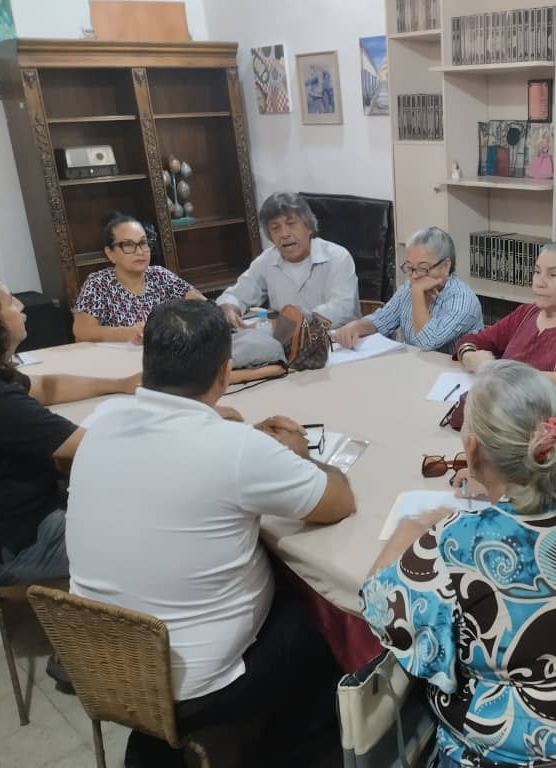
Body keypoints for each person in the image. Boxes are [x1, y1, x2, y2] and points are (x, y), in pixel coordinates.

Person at [66, 299, 357, 766]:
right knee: (318, 619)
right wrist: (300, 458)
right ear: (225, 373)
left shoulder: (102, 422)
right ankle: (250, 740)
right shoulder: (235, 449)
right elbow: (338, 502)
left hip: (102, 662)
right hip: (196, 685)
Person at [361, 360, 556, 768]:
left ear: (471, 449)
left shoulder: (454, 544)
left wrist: (413, 526)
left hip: (525, 756)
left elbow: (377, 604)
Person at [0, 269, 139, 588]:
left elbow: (42, 386)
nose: (22, 307)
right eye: (12, 301)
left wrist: (119, 384)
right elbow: (88, 445)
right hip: (18, 544)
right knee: (150, 534)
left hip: (7, 523)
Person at [455, 241, 556, 392]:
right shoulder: (525, 313)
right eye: (537, 272)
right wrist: (470, 356)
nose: (539, 282)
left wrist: (527, 378)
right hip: (508, 408)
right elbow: (471, 341)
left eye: (553, 275)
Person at [216, 192, 359, 329]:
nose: (284, 234)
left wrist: (288, 323)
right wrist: (229, 309)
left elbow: (342, 310)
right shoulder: (267, 260)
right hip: (287, 344)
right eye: (275, 228)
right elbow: (235, 295)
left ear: (309, 227)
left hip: (337, 341)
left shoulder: (337, 257)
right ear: (270, 236)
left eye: (291, 224)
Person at [331, 227, 482, 354]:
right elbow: (383, 319)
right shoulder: (409, 287)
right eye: (410, 268)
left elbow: (427, 342)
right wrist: (356, 327)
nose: (415, 276)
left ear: (446, 266)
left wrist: (417, 295)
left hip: (453, 377)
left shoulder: (462, 300)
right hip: (415, 368)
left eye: (423, 268)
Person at [73, 213, 204, 344]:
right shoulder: (99, 284)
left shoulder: (160, 275)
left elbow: (203, 305)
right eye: (128, 245)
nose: (140, 251)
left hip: (164, 357)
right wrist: (128, 333)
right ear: (110, 253)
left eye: (143, 243)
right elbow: (82, 331)